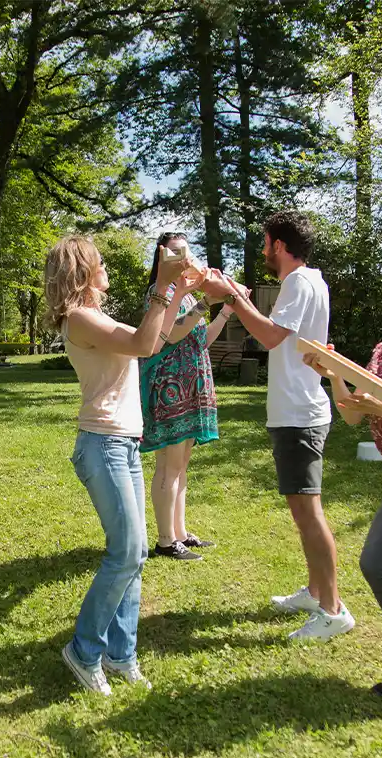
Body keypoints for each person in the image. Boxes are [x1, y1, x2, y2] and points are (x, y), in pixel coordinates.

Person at [44, 235, 189, 695]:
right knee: (126, 552)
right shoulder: (80, 318)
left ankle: (121, 654)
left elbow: (156, 338)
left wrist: (183, 295)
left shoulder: (98, 317)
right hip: (103, 444)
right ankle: (84, 650)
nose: (105, 267)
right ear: (82, 271)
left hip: (121, 444)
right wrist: (161, 287)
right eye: (100, 262)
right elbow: (145, 345)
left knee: (136, 553)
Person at [228, 210, 354, 639]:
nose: (264, 250)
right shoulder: (311, 281)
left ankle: (333, 611)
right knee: (303, 513)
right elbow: (285, 337)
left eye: (266, 243)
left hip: (300, 414)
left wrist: (234, 299)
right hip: (298, 410)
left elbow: (270, 337)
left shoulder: (298, 282)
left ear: (279, 246)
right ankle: (316, 593)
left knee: (309, 513)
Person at [141, 232, 241, 561]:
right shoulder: (160, 293)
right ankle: (165, 540)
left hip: (190, 385)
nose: (183, 257)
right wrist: (204, 303)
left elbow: (200, 339)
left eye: (186, 251)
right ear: (161, 258)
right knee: (169, 465)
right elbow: (172, 334)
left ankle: (180, 533)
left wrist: (225, 311)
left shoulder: (185, 294)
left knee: (181, 464)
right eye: (175, 252)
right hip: (170, 385)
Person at [304, 342, 382, 693]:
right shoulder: (381, 352)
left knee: (377, 563)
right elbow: (353, 415)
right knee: (376, 564)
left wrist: (380, 407)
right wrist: (335, 376)